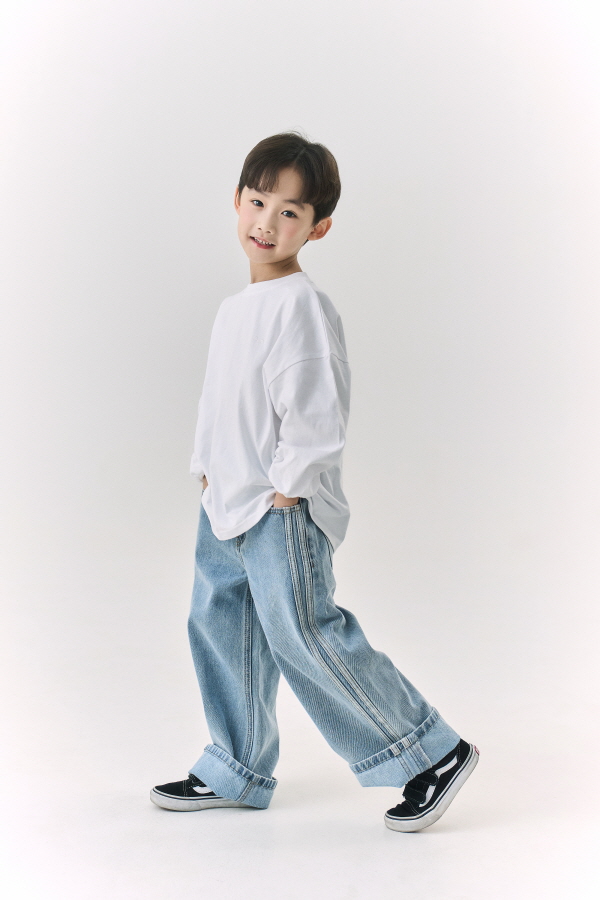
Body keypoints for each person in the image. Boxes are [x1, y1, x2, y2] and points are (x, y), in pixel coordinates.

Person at [150, 132, 478, 832]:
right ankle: (237, 767)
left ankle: (431, 750)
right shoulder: (235, 308)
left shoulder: (300, 304)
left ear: (317, 228)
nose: (267, 223)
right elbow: (221, 398)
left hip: (279, 507)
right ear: (236, 201)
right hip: (225, 501)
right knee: (222, 626)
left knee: (304, 632)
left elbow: (317, 406)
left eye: (290, 213)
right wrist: (204, 467)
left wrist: (290, 487)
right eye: (258, 202)